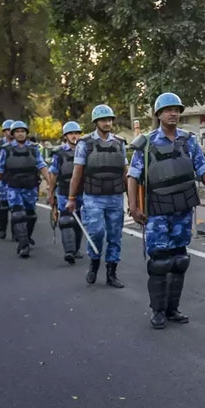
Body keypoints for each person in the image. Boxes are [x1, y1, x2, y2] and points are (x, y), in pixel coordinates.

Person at [127, 92, 205, 329]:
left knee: (180, 260)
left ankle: (173, 309)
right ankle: (158, 311)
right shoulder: (146, 143)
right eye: (168, 109)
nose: (173, 113)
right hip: (157, 211)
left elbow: (202, 168)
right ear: (159, 114)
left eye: (177, 109)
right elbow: (132, 176)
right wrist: (133, 206)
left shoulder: (189, 141)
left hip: (182, 209)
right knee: (160, 262)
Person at [66, 105, 127, 287]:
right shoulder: (84, 144)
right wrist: (71, 198)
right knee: (97, 232)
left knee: (115, 235)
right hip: (93, 197)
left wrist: (133, 200)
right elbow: (77, 172)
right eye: (103, 120)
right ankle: (94, 264)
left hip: (116, 196)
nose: (107, 123)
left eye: (109, 119)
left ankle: (111, 273)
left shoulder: (119, 143)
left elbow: (125, 172)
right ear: (96, 122)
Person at [0, 121, 50, 258]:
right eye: (17, 131)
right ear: (13, 134)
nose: (20, 133)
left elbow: (42, 166)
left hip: (30, 186)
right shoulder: (6, 150)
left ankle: (26, 237)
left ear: (26, 133)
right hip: (13, 187)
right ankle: (23, 245)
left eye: (22, 131)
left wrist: (50, 183)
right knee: (18, 215)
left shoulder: (34, 149)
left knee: (30, 215)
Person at [47, 121, 85, 265]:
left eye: (76, 133)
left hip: (82, 192)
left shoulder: (85, 150)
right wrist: (51, 192)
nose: (74, 136)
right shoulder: (59, 153)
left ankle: (76, 249)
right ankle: (69, 251)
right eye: (71, 133)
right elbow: (53, 174)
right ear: (65, 136)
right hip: (64, 191)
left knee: (79, 220)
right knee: (66, 220)